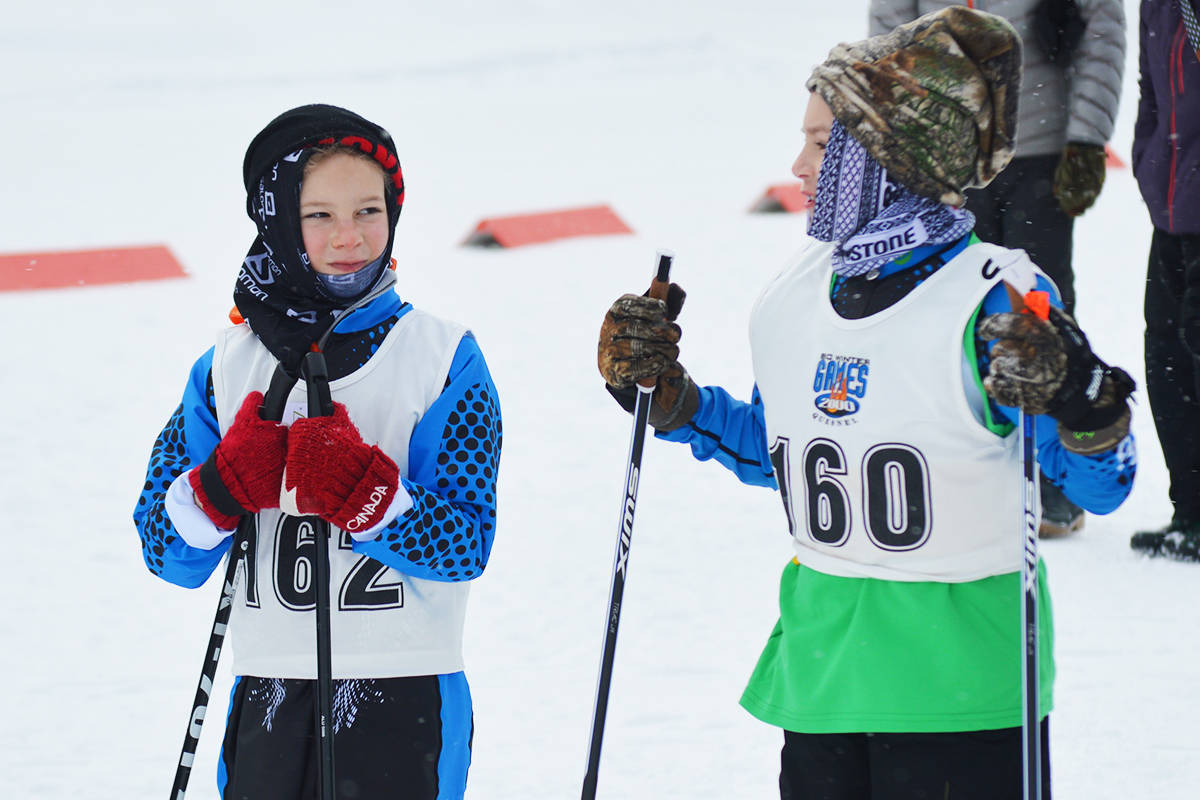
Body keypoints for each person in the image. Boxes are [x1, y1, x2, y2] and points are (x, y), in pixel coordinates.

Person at [597, 9, 1135, 798]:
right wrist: (672, 402)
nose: (797, 165)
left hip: (960, 695)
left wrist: (1084, 401)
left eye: (823, 143)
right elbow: (791, 457)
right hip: (821, 680)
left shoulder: (995, 299)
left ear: (889, 156)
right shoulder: (795, 293)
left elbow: (1099, 485)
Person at [133, 105, 502, 800]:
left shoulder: (443, 356)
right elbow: (164, 549)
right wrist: (217, 487)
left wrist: (365, 494)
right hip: (269, 692)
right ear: (276, 220)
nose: (350, 238)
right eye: (319, 216)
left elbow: (466, 543)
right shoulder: (225, 364)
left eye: (369, 209)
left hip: (405, 688)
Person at [869, 0, 1127, 538]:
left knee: (1036, 318)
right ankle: (953, 468)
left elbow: (1102, 29)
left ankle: (1053, 482)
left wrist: (1085, 136)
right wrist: (891, 136)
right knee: (942, 315)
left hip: (1038, 147)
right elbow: (888, 32)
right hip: (943, 152)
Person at [1129, 0, 1200, 562]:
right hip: (1173, 209)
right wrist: (1148, 161)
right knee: (1168, 356)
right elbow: (1150, 90)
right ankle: (1192, 511)